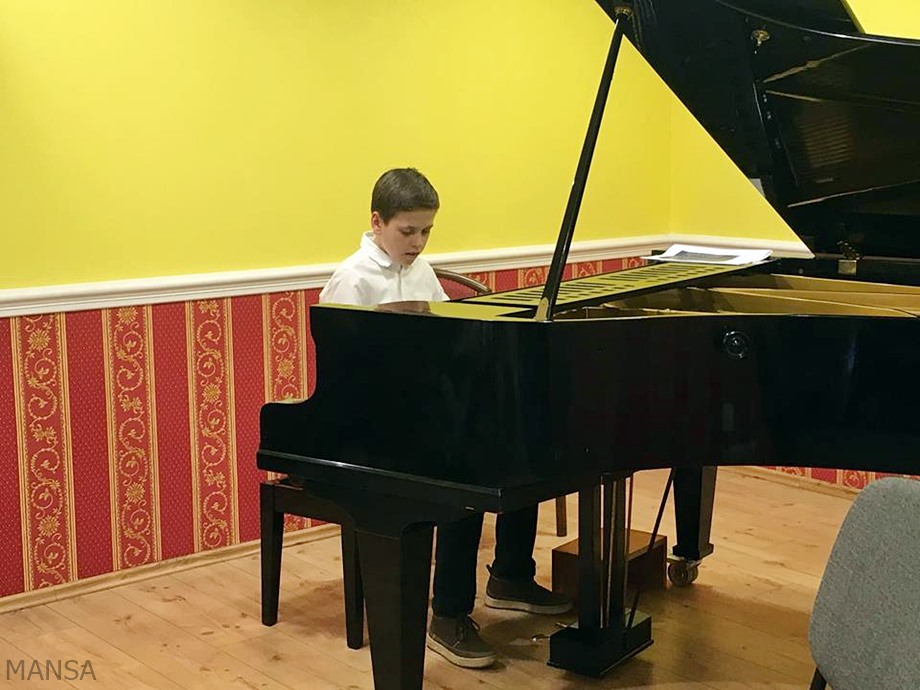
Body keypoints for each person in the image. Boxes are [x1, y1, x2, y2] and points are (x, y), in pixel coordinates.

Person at [320, 167, 571, 669]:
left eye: (426, 231)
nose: (417, 243)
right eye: (407, 231)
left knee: (521, 444)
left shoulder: (422, 272)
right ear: (377, 222)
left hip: (422, 411)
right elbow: (345, 373)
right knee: (465, 475)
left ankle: (511, 575)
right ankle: (448, 614)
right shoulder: (352, 279)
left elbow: (441, 346)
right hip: (371, 427)